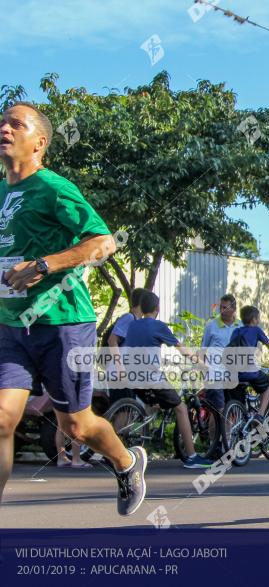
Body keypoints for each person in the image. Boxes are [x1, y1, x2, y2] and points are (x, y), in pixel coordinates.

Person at [0, 103, 147, 514]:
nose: (5, 128)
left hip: (62, 322)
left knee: (76, 426)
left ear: (39, 143)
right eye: (2, 121)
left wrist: (43, 265)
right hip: (11, 326)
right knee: (1, 420)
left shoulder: (53, 188)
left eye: (17, 124)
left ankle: (126, 461)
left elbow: (103, 242)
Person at [122, 291, 212, 468]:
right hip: (151, 379)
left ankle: (141, 443)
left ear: (141, 307)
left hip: (132, 377)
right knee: (181, 408)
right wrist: (202, 364)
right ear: (157, 308)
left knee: (151, 404)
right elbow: (182, 349)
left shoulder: (133, 325)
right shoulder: (158, 326)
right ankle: (192, 457)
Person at [228, 305, 269, 417]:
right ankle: (260, 414)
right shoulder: (256, 331)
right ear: (254, 319)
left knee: (236, 409)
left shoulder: (236, 332)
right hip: (250, 372)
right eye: (258, 318)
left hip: (234, 374)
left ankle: (238, 427)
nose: (259, 321)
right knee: (268, 383)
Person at [104, 287, 148, 403]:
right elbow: (112, 341)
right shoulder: (129, 318)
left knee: (129, 410)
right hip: (118, 373)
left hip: (127, 374)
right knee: (123, 413)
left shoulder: (137, 321)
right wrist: (120, 369)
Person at [200, 293, 242, 413]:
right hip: (214, 373)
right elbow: (203, 349)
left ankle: (228, 432)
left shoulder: (240, 325)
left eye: (225, 307)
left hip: (233, 374)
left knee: (234, 410)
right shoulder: (211, 325)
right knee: (217, 411)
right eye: (221, 307)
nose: (222, 310)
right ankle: (216, 432)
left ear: (234, 309)